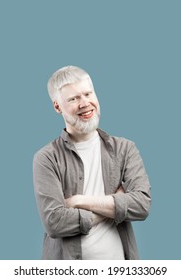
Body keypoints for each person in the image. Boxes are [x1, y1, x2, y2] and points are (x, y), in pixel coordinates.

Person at [33, 65, 151, 260]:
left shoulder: (125, 149)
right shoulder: (46, 158)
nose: (84, 103)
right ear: (57, 106)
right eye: (73, 99)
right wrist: (114, 203)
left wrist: (81, 201)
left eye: (88, 94)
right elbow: (55, 223)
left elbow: (142, 205)